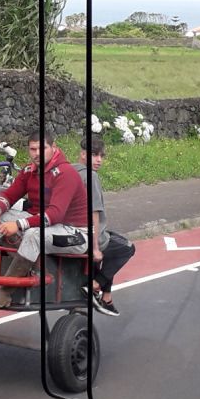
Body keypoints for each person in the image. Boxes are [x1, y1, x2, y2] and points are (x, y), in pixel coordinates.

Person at [0, 130, 89, 308]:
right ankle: (35, 267)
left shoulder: (66, 173)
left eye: (42, 148)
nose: (37, 154)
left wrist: (18, 225)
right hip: (44, 224)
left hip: (76, 233)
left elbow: (55, 214)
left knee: (33, 235)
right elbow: (9, 195)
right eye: (33, 149)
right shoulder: (29, 171)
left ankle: (5, 291)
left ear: (54, 148)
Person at [77, 136, 135, 317]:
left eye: (101, 156)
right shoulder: (91, 176)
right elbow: (94, 212)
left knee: (113, 240)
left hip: (74, 229)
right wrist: (95, 247)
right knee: (126, 248)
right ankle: (95, 285)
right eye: (94, 155)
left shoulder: (70, 170)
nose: (99, 160)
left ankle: (107, 297)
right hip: (88, 234)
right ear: (83, 154)